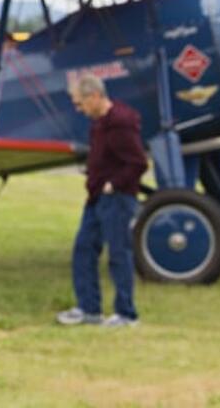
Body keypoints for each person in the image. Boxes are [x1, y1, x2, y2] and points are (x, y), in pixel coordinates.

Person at [56, 73, 149, 328]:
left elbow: (138, 163)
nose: (79, 109)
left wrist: (113, 185)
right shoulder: (99, 123)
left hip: (116, 199)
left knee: (119, 254)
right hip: (96, 197)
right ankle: (89, 309)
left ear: (95, 96)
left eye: (80, 103)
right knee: (83, 249)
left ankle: (126, 314)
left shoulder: (121, 122)